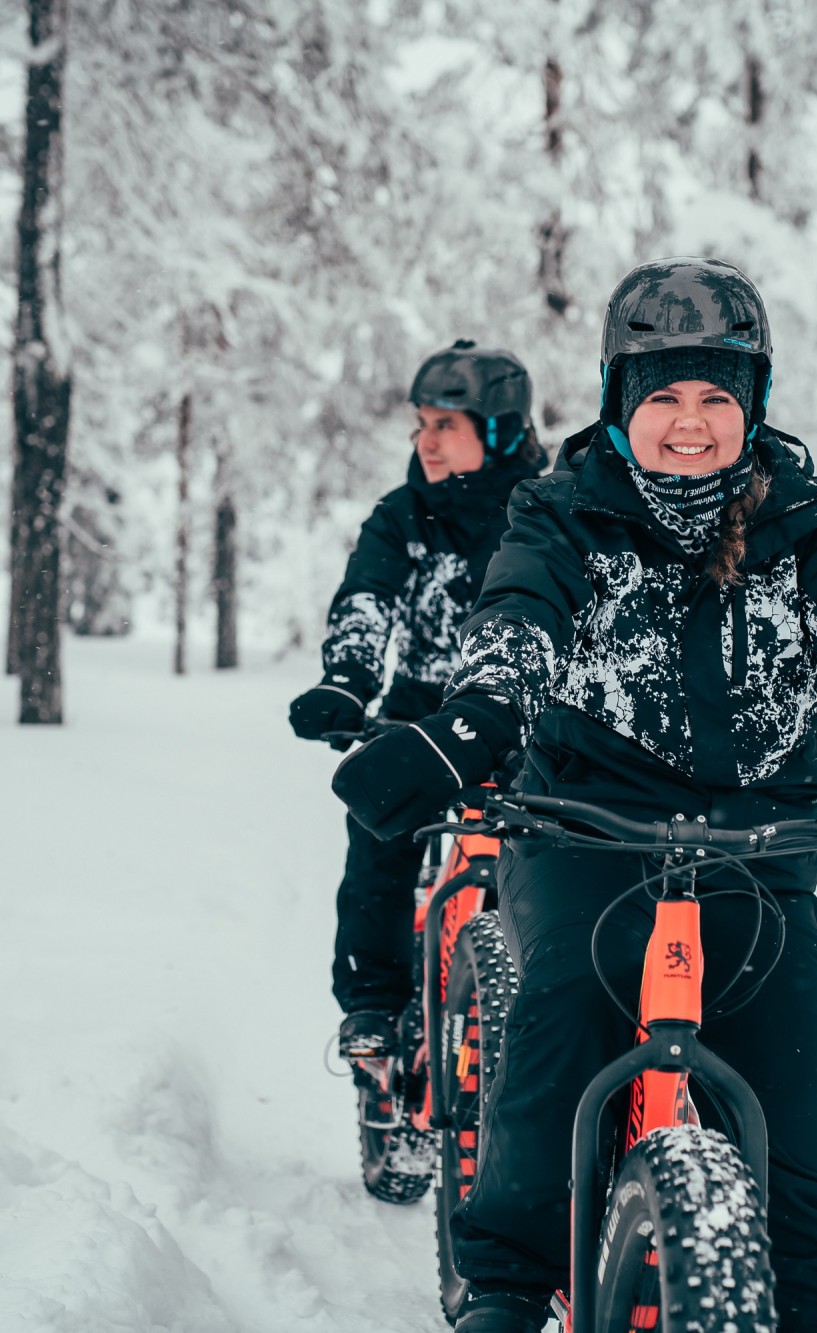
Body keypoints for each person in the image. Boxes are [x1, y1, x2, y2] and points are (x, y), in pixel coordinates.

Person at [332, 257, 817, 1333]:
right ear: (617, 405)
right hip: (584, 834)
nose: (688, 423)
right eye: (661, 397)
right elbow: (518, 626)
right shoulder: (562, 514)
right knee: (550, 1052)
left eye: (714, 398)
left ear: (752, 407)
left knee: (800, 1192)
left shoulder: (804, 523)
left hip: (757, 853)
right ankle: (501, 1293)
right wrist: (469, 727)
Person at [288, 339, 543, 1061]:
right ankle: (374, 1002)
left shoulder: (545, 515)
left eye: (445, 425)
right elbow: (367, 598)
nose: (424, 442)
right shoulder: (404, 515)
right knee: (381, 826)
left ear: (496, 434)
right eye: (420, 424)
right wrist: (347, 678)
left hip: (521, 718)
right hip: (418, 709)